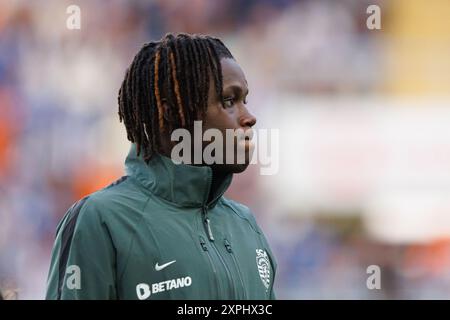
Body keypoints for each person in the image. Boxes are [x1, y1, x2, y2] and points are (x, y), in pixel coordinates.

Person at [46, 33, 276, 300]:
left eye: (244, 100)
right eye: (228, 101)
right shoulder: (101, 221)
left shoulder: (246, 225)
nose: (249, 118)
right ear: (171, 114)